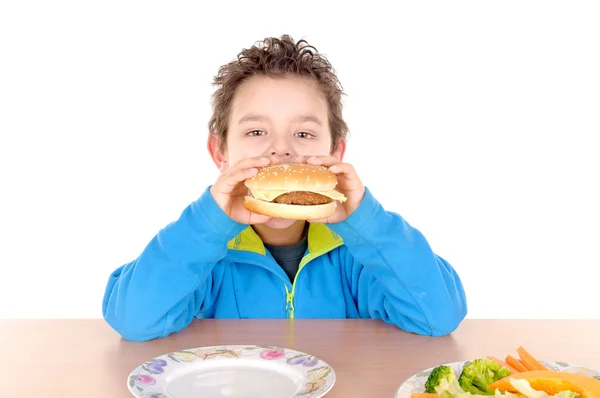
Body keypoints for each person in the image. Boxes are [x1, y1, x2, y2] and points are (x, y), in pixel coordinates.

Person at [102, 34, 467, 342]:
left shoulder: (358, 254)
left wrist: (367, 222)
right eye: (256, 131)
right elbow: (135, 319)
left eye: (304, 133)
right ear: (220, 153)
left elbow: (438, 316)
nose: (281, 149)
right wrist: (209, 223)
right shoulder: (206, 253)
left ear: (335, 152)